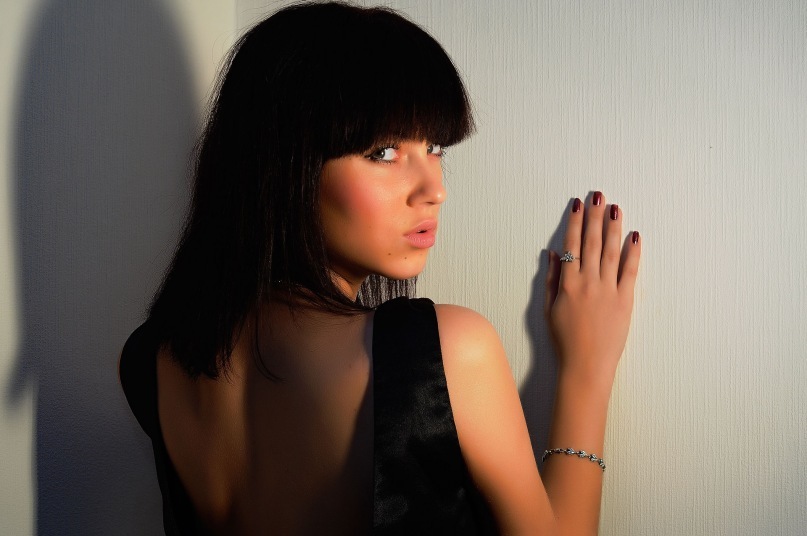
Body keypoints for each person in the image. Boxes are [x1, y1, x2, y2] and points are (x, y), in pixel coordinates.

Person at [119, 2, 641, 534]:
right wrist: (586, 371)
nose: (434, 189)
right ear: (285, 164)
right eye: (384, 152)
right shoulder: (442, 352)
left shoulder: (150, 358)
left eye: (434, 146)